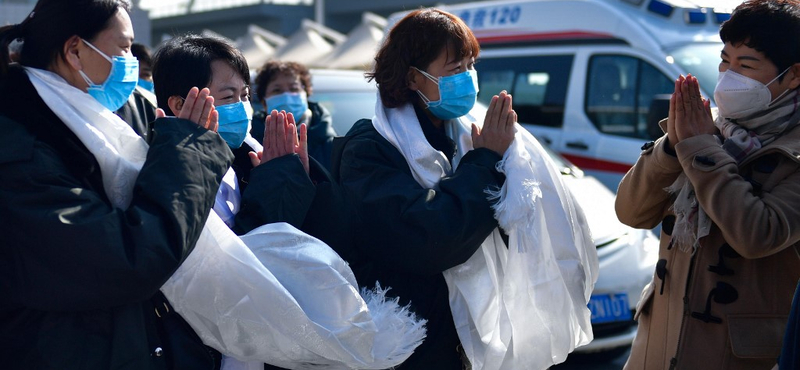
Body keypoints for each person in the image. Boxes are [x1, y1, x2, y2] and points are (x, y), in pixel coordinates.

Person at [332, 8, 598, 370]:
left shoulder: (458, 131)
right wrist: (486, 161)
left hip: (462, 342)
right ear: (413, 77)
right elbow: (430, 238)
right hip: (412, 347)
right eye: (455, 70)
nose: (469, 79)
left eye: (471, 66)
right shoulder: (371, 147)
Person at [0, 1, 231, 369]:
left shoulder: (76, 122)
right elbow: (128, 258)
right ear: (75, 50)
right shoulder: (21, 149)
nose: (132, 61)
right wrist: (190, 158)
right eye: (123, 48)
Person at [615, 1, 800, 369]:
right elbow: (631, 212)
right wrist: (671, 147)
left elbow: (758, 234)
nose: (729, 75)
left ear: (794, 75)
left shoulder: (790, 151)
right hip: (659, 349)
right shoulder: (711, 128)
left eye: (746, 65)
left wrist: (700, 148)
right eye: (724, 61)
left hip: (738, 356)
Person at [152, 34, 351, 255]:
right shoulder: (165, 170)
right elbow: (233, 257)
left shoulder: (249, 153)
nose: (241, 107)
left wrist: (298, 180)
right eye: (228, 98)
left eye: (245, 95)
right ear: (180, 104)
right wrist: (274, 184)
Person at [253, 60, 337, 170]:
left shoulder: (333, 146)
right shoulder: (253, 143)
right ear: (264, 101)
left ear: (306, 94)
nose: (287, 95)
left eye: (294, 88)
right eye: (277, 90)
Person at [115, 42, 156, 140]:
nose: (136, 81)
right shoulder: (114, 109)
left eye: (145, 75)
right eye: (132, 74)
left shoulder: (156, 110)